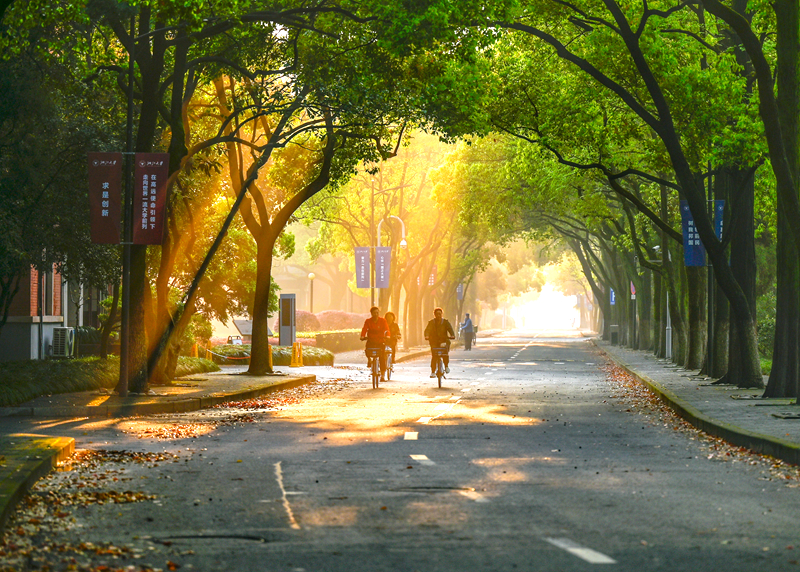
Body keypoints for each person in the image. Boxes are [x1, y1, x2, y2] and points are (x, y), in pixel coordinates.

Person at [360, 306, 390, 381]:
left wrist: (388, 336)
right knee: (367, 350)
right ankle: (369, 360)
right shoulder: (368, 321)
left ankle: (382, 375)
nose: (376, 314)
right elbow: (364, 329)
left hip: (380, 340)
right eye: (374, 313)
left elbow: (387, 329)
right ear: (371, 314)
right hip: (371, 340)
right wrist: (362, 336)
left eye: (377, 313)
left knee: (382, 357)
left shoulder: (383, 321)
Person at [424, 307, 455, 378]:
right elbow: (427, 330)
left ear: (442, 314)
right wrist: (427, 336)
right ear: (434, 315)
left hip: (444, 341)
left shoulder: (445, 322)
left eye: (439, 314)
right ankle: (433, 371)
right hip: (434, 341)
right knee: (434, 356)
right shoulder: (431, 323)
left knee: (445, 354)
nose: (438, 316)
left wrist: (452, 335)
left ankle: (446, 366)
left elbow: (450, 329)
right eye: (437, 314)